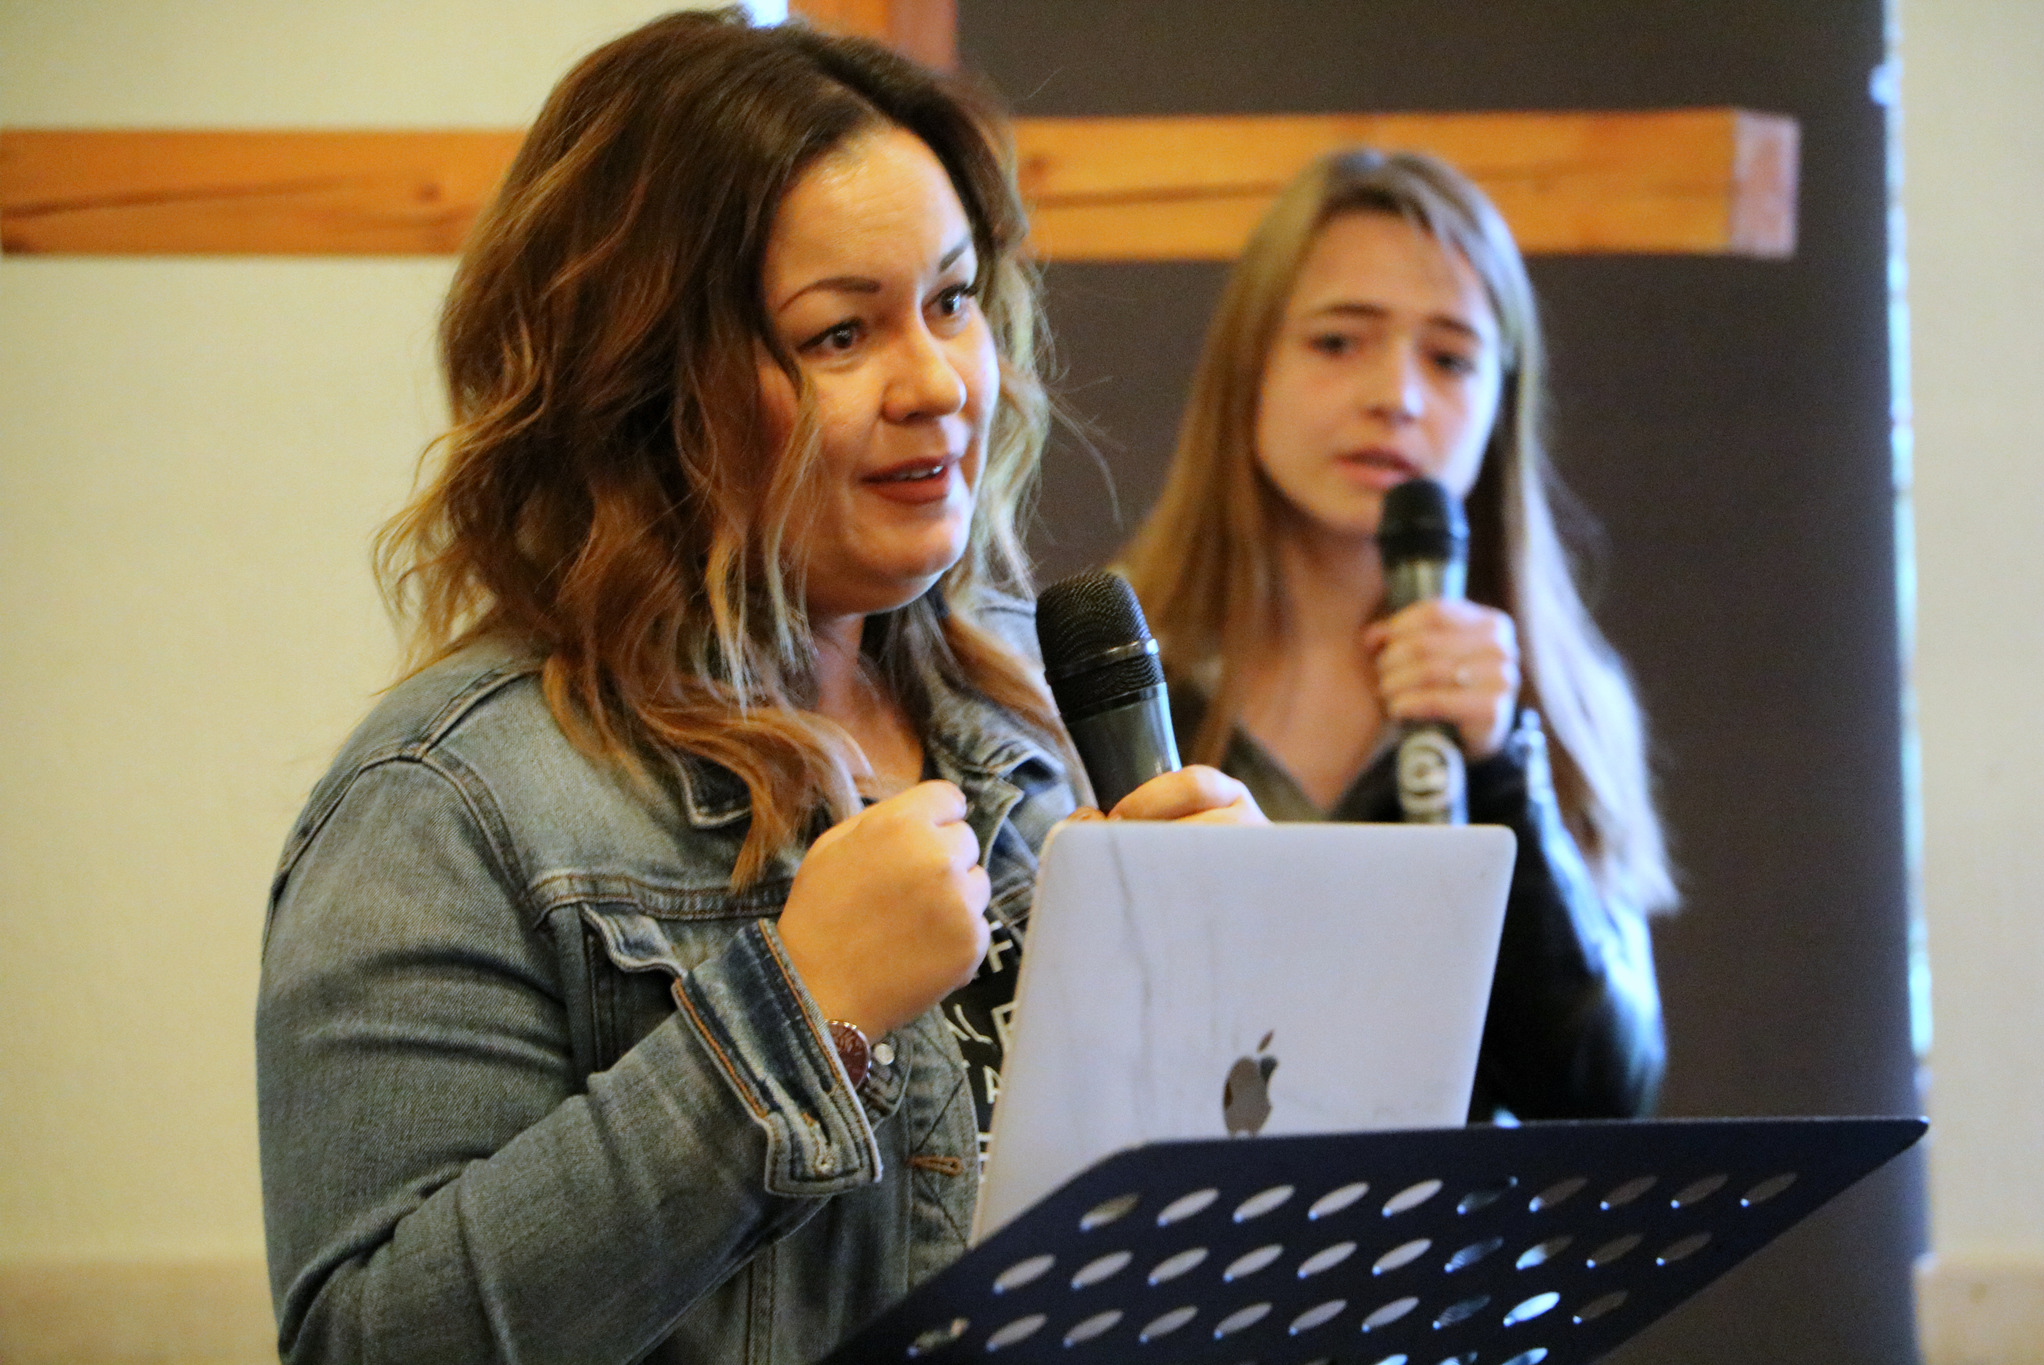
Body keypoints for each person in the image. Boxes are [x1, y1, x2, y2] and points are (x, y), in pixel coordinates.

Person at [255, 13, 1258, 1364]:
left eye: (952, 301)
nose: (937, 383)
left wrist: (1255, 1001)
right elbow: (371, 1345)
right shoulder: (449, 805)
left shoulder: (1036, 720)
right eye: (841, 333)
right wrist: (797, 1014)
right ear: (641, 383)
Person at [1121, 148, 1672, 1122]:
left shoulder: (1554, 700)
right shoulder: (1125, 681)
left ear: (1500, 401)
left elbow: (1601, 1092)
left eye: (1450, 358)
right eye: (1339, 342)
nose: (1397, 397)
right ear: (1248, 367)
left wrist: (1498, 774)